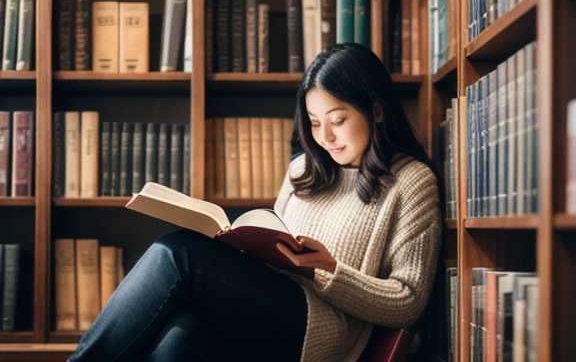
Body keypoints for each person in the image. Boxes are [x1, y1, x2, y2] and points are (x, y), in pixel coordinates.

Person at [68, 43, 442, 362]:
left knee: (178, 253)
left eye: (338, 119)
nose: (325, 136)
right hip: (271, 309)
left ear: (376, 111)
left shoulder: (411, 182)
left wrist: (328, 270)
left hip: (324, 335)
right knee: (180, 336)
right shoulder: (303, 170)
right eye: (313, 122)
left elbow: (408, 300)